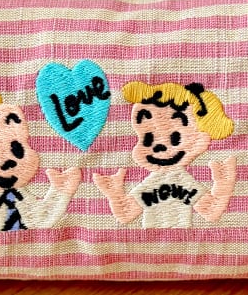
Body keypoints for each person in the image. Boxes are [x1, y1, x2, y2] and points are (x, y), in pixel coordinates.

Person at [93, 81, 236, 229]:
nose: (159, 147)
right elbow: (126, 213)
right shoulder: (154, 182)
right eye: (148, 139)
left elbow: (211, 212)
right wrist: (114, 193)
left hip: (183, 240)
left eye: (175, 138)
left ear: (198, 139)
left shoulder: (183, 182)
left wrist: (223, 184)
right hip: (150, 240)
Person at [0, 92, 81, 233]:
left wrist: (60, 191)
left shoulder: (20, 195)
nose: (8, 163)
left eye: (16, 150)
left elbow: (41, 218)